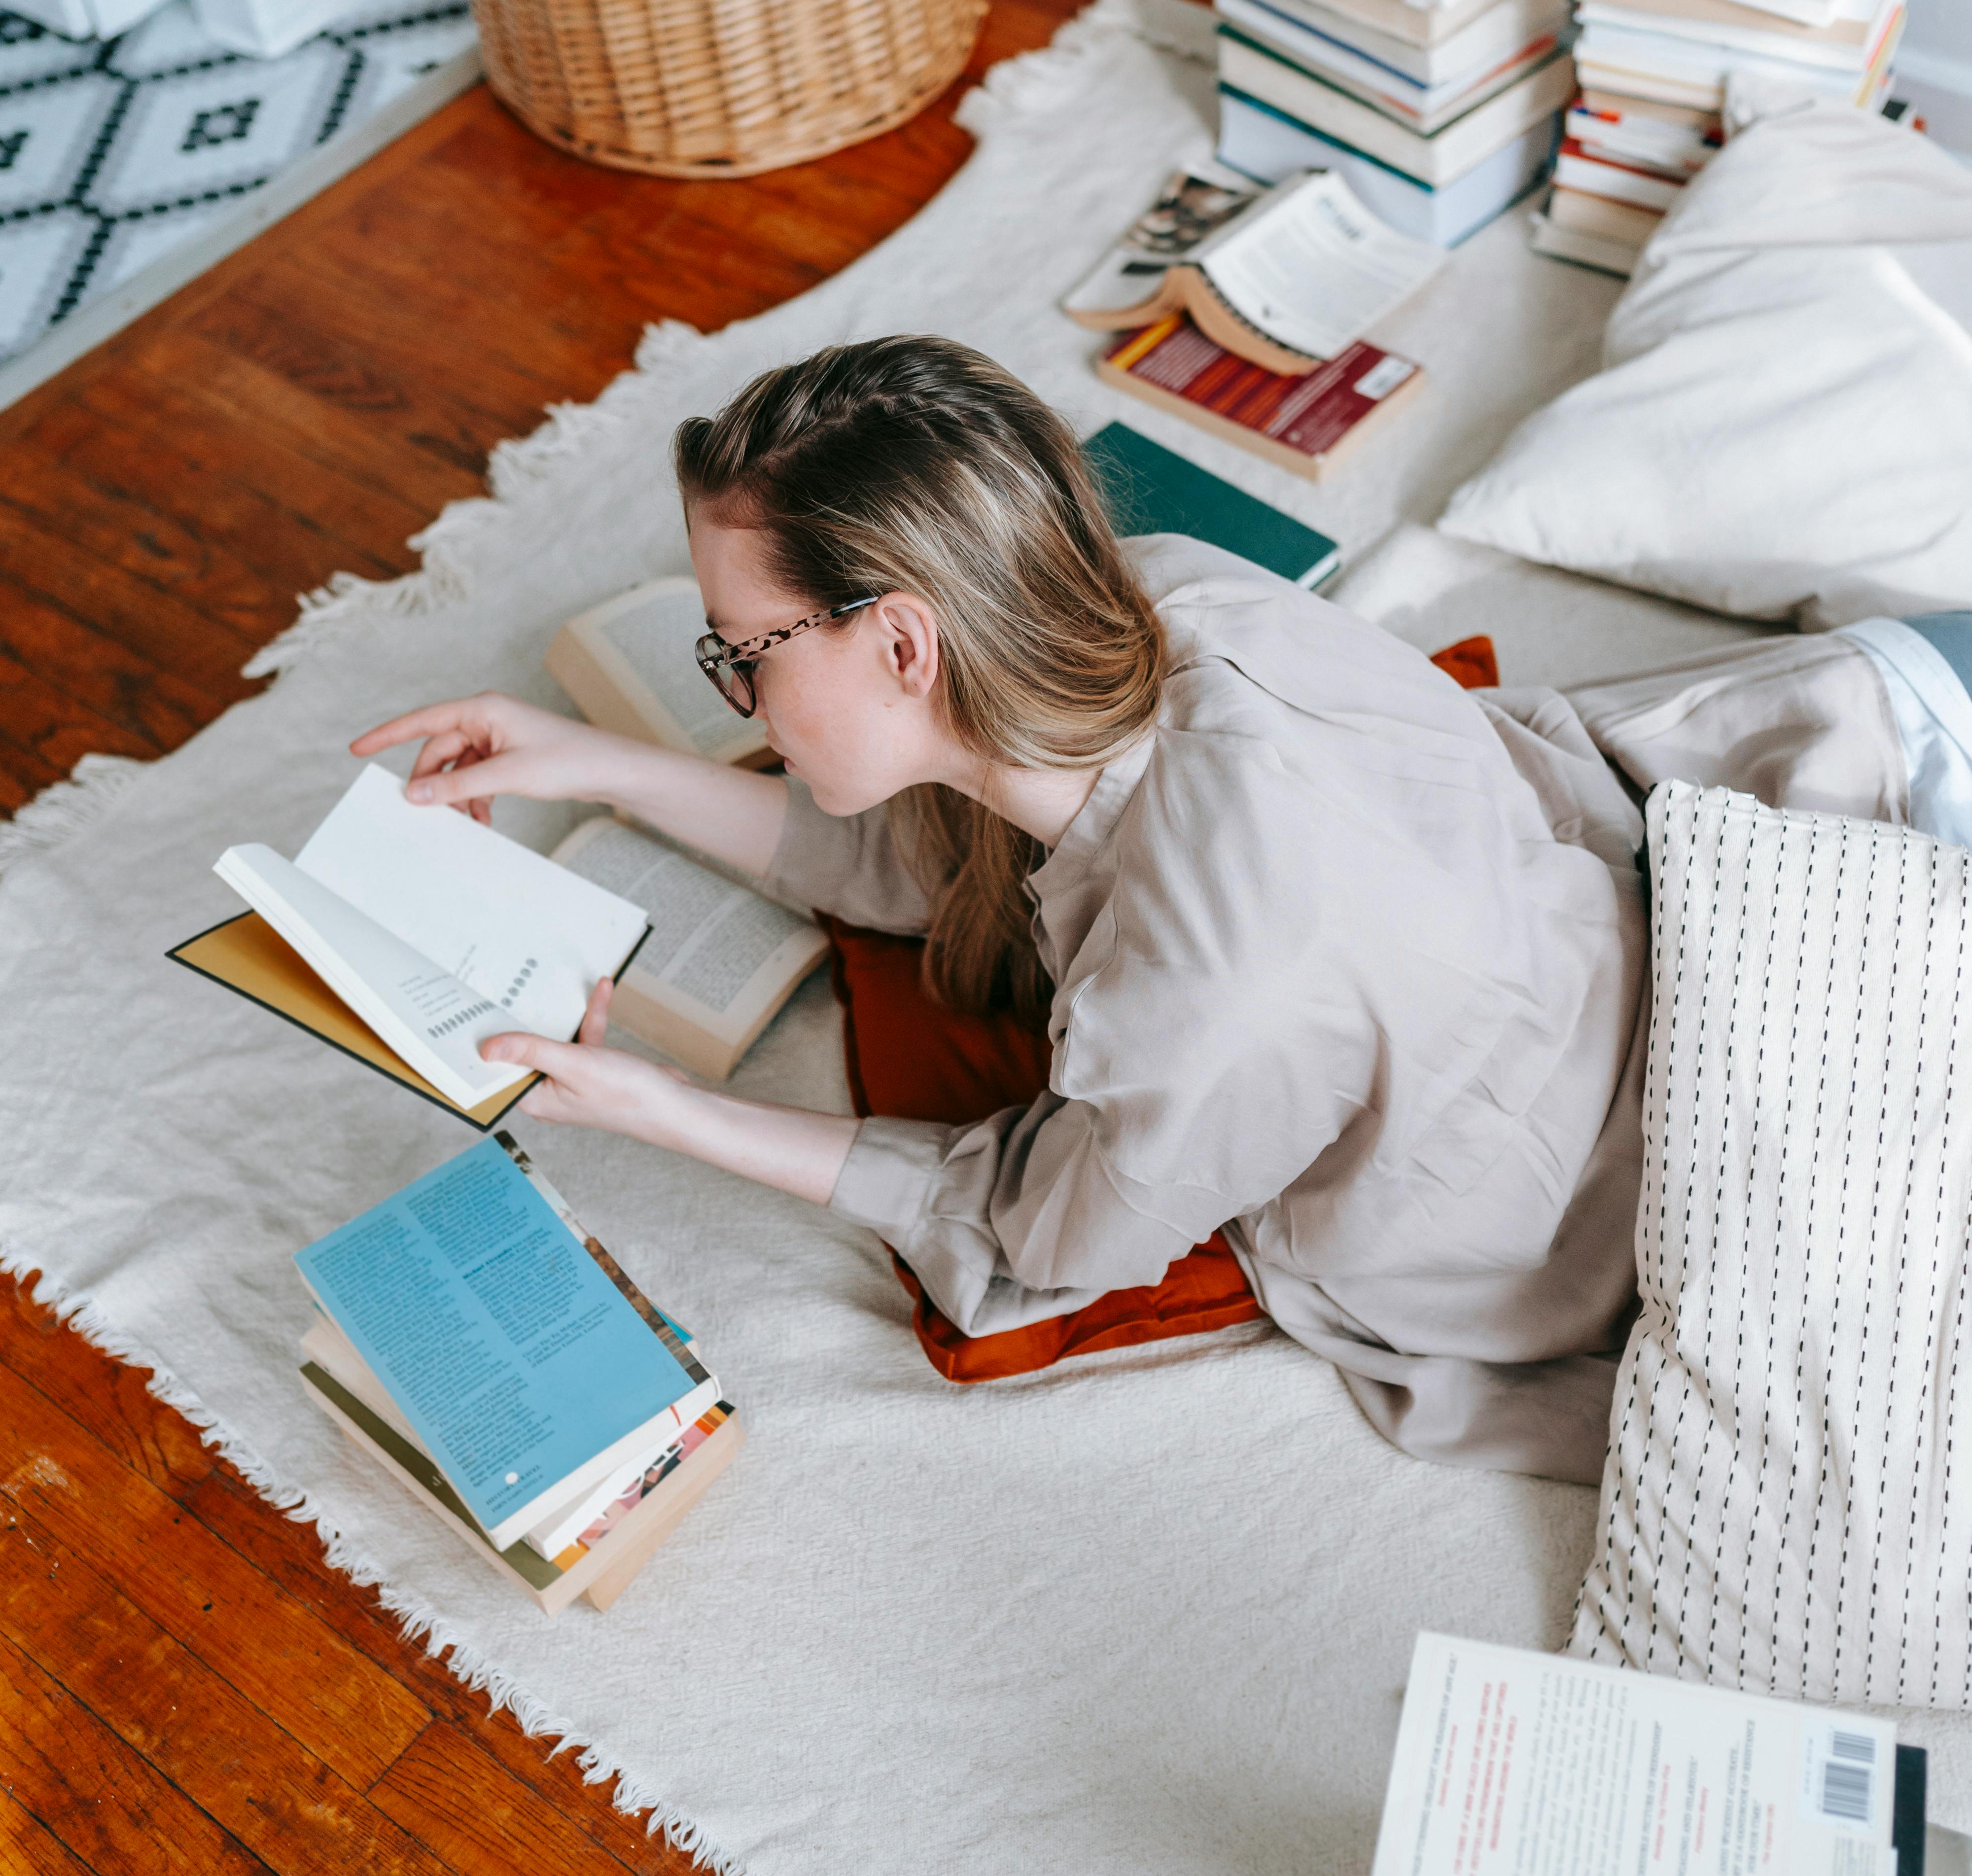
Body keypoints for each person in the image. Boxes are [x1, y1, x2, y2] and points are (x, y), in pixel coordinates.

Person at [352, 335, 1970, 1487]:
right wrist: (597, 762)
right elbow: (925, 850)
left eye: (746, 653)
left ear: (904, 643)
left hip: (1649, 1172)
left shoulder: (1202, 989)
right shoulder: (1168, 591)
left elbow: (1033, 1233)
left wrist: (664, 1111)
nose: (739, 694)